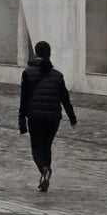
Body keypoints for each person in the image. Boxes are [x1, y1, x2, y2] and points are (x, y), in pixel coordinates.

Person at [18, 40, 76, 192]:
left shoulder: (28, 73)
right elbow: (65, 98)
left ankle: (45, 171)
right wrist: (72, 118)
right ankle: (46, 173)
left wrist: (21, 120)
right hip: (53, 118)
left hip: (35, 117)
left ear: (36, 53)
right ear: (49, 54)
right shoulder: (58, 76)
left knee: (37, 149)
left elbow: (24, 99)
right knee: (46, 147)